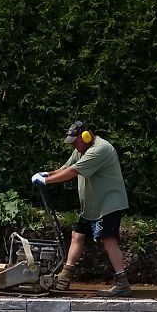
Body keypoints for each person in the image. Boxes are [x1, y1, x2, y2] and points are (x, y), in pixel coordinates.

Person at [32, 120, 131, 294]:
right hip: (92, 205)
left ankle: (123, 283)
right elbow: (66, 167)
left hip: (108, 204)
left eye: (75, 142)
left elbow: (72, 172)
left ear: (86, 136)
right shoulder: (81, 149)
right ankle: (64, 278)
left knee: (108, 240)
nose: (74, 147)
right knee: (77, 235)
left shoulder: (99, 150)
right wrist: (47, 173)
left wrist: (46, 181)